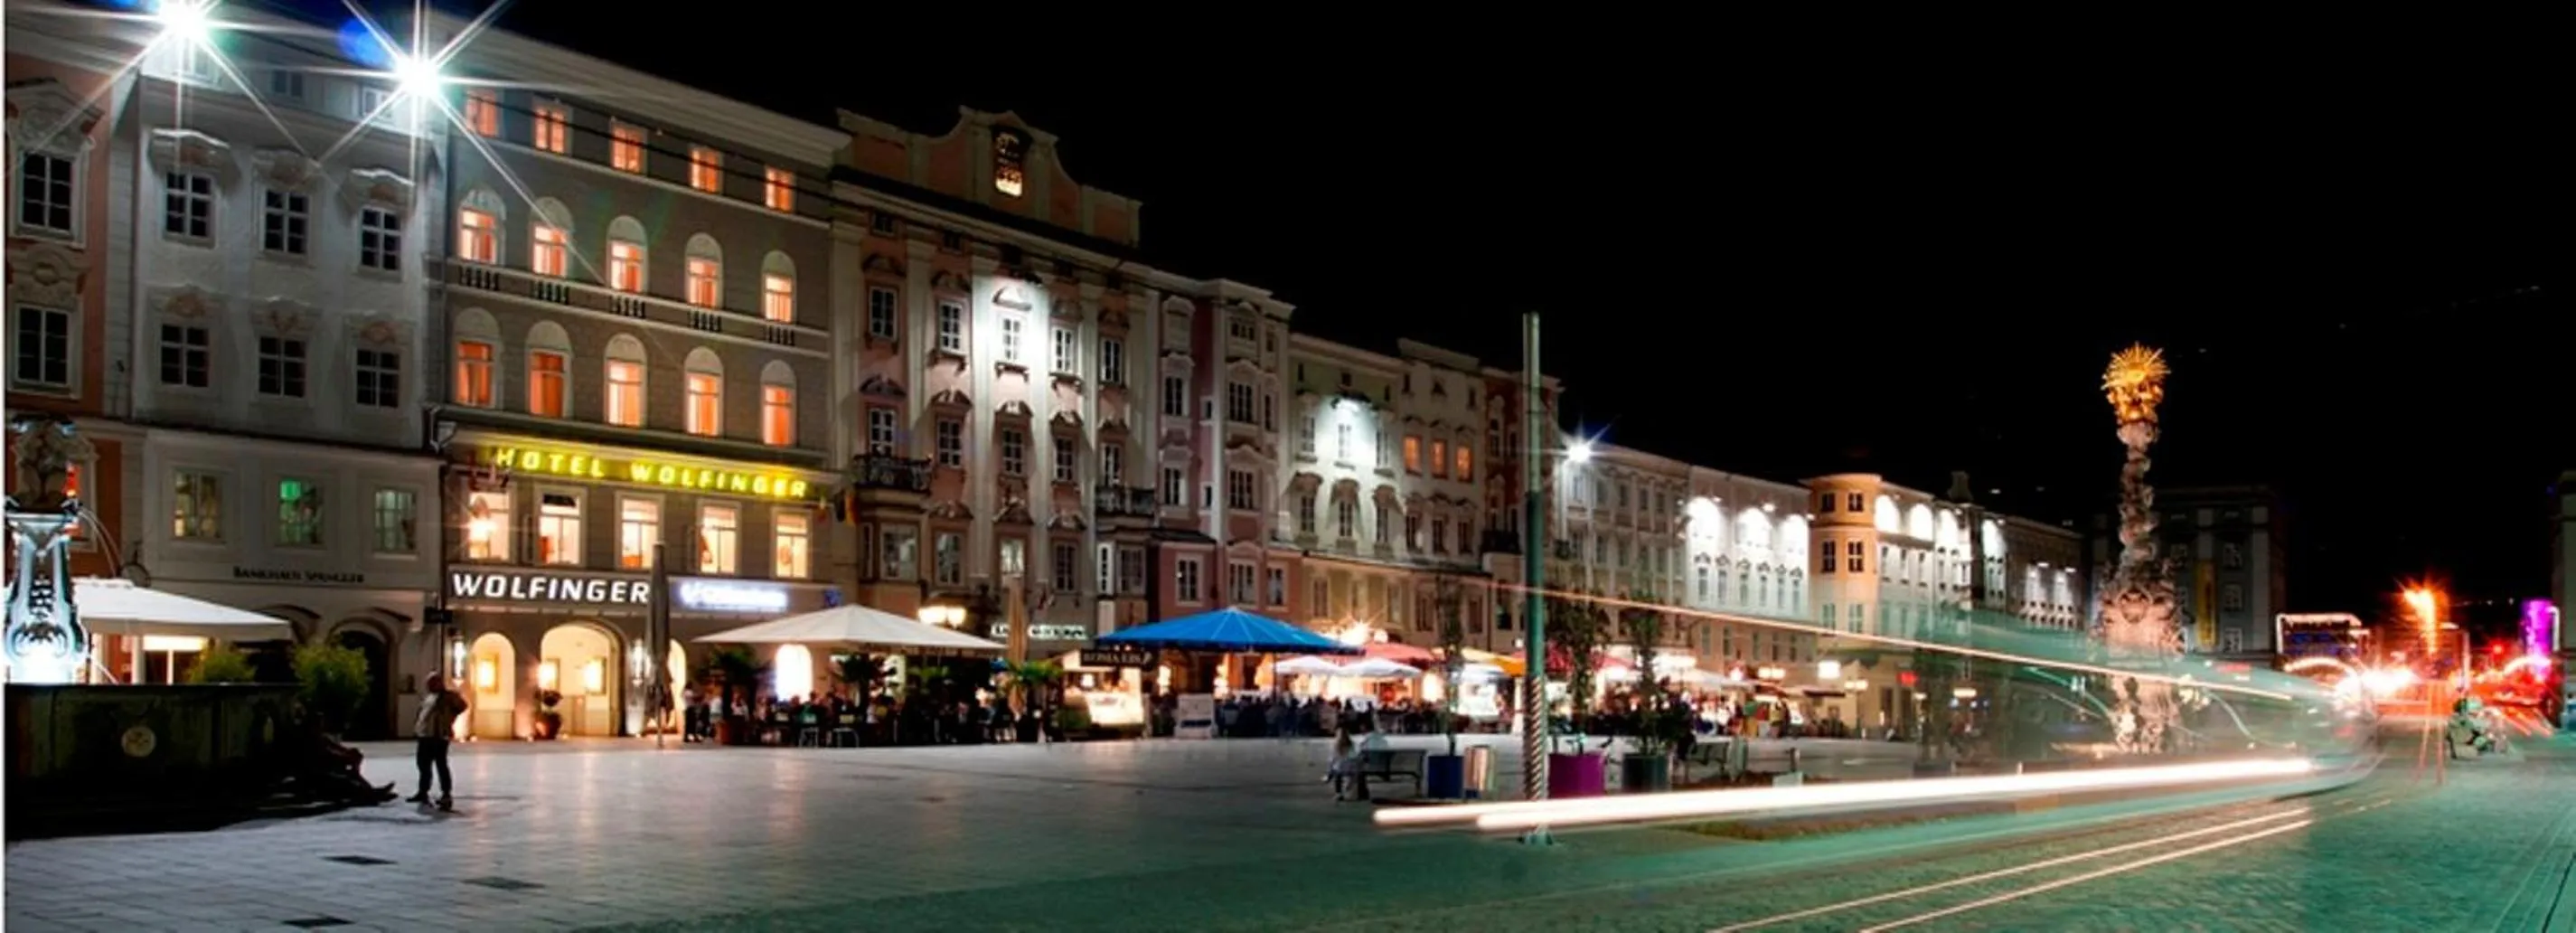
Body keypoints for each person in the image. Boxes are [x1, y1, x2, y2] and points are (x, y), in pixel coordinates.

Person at [410, 673, 469, 811]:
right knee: (423, 765)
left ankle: (446, 794)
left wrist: (448, 719)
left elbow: (462, 706)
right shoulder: (428, 697)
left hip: (438, 736)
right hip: (425, 736)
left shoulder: (447, 697)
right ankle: (423, 792)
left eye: (433, 682)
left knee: (441, 765)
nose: (429, 685)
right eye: (429, 683)